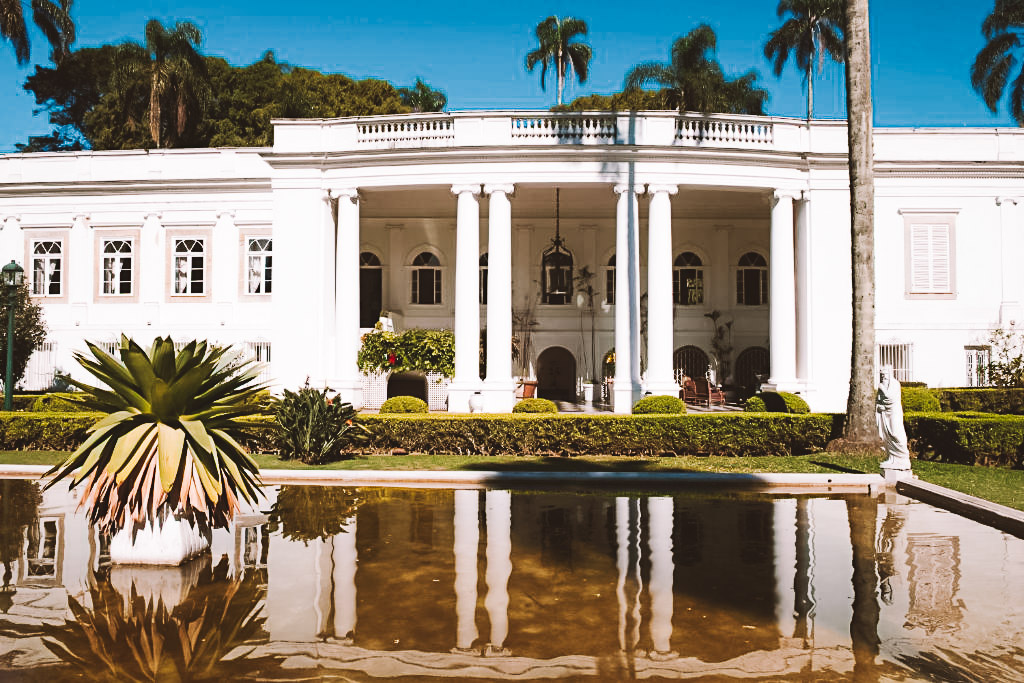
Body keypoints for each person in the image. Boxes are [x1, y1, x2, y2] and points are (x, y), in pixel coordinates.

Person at [876, 365, 911, 470]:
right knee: (888, 435)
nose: (883, 377)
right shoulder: (882, 385)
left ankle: (903, 458)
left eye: (885, 375)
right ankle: (893, 458)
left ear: (889, 375)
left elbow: (890, 398)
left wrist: (882, 388)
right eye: (881, 375)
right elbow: (878, 401)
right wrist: (879, 407)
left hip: (894, 413)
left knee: (896, 433)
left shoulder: (895, 384)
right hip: (885, 415)